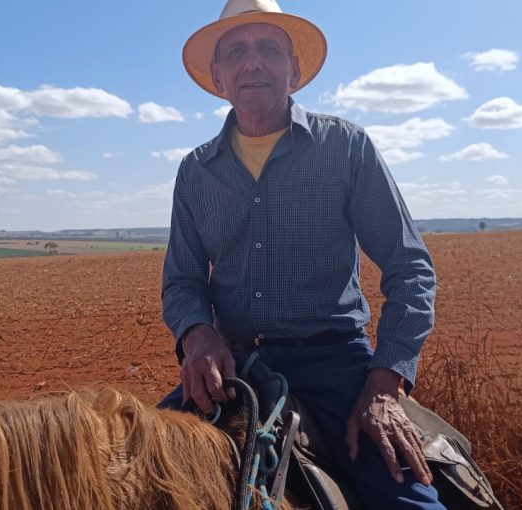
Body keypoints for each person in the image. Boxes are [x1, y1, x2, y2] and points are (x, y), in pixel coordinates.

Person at [160, 1, 443, 508]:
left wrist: (384, 383)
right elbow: (183, 281)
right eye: (236, 52)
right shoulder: (196, 171)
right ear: (218, 77)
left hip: (336, 365)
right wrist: (199, 336)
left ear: (293, 70)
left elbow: (410, 268)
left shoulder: (346, 148)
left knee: (412, 501)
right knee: (134, 471)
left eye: (269, 48)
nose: (253, 62)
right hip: (233, 369)